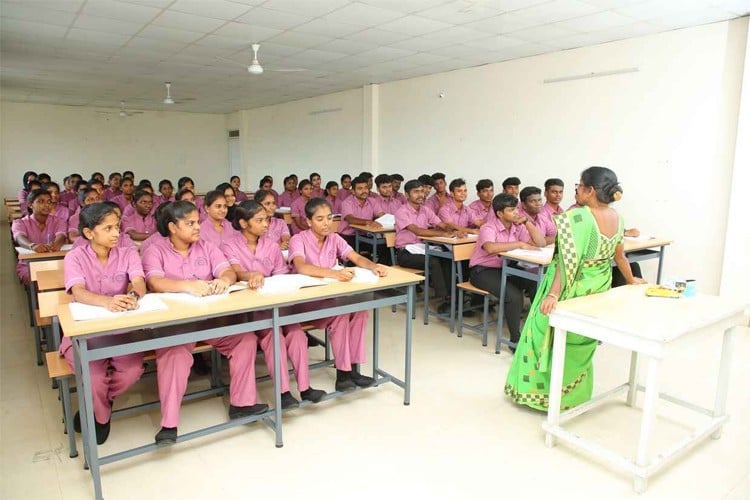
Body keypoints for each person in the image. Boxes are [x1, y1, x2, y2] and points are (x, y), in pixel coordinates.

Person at [505, 167, 646, 411]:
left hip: (573, 285)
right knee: (582, 340)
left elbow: (565, 261)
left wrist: (552, 294)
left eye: (579, 186)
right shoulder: (617, 217)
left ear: (590, 190)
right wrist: (632, 279)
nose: (577, 191)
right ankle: (574, 395)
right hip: (599, 286)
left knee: (543, 335)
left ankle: (542, 396)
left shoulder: (577, 218)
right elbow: (620, 256)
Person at [142, 201, 267, 445]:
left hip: (210, 319)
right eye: (190, 223)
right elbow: (155, 282)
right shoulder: (155, 251)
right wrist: (187, 286)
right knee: (175, 353)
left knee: (245, 339)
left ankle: (242, 404)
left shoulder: (207, 246)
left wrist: (224, 280)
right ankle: (169, 423)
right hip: (176, 323)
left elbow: (228, 271)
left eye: (197, 222)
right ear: (172, 227)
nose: (197, 227)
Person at [223, 201, 327, 406]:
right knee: (274, 336)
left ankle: (305, 388)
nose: (266, 224)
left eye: (267, 220)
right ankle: (283, 392)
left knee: (297, 334)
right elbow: (234, 272)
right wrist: (250, 275)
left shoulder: (271, 245)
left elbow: (280, 274)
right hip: (248, 309)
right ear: (244, 223)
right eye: (260, 220)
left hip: (274, 303)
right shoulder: (229, 244)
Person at [60, 203, 146, 444]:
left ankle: (98, 405)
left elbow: (138, 281)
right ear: (89, 233)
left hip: (120, 330)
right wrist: (107, 302)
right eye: (108, 228)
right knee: (94, 377)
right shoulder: (75, 257)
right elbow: (77, 291)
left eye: (117, 226)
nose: (116, 233)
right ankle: (101, 416)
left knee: (132, 371)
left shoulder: (127, 252)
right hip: (86, 332)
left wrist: (133, 295)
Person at [289, 197, 389, 392]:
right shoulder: (298, 239)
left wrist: (374, 266)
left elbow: (356, 257)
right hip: (305, 301)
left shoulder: (334, 237)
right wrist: (334, 273)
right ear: (308, 221)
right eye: (320, 219)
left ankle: (353, 369)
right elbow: (301, 266)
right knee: (342, 314)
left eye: (329, 217)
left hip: (330, 298)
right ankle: (343, 375)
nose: (326, 223)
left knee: (361, 311)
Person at [468, 193, 546, 346]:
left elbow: (541, 242)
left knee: (536, 283)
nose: (516, 212)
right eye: (511, 210)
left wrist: (527, 222)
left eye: (516, 209)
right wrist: (519, 244)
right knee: (514, 296)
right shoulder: (488, 227)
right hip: (483, 271)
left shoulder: (517, 227)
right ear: (500, 213)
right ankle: (515, 340)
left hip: (506, 268)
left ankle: (538, 328)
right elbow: (490, 248)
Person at [394, 179, 459, 315]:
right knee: (434, 261)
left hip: (423, 249)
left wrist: (453, 230)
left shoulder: (426, 210)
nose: (421, 195)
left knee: (447, 258)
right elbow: (418, 231)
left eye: (422, 191)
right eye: (416, 192)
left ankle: (453, 298)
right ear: (407, 195)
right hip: (405, 252)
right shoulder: (402, 211)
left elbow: (441, 224)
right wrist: (444, 234)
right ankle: (444, 298)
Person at [12, 189, 67, 285]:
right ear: (30, 204)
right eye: (41, 201)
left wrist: (56, 244)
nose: (47, 205)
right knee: (36, 278)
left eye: (49, 202)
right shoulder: (20, 222)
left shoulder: (59, 221)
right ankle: (37, 299)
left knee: (65, 275)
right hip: (28, 264)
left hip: (55, 260)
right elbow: (20, 238)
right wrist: (32, 246)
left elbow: (61, 235)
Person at [337, 175, 381, 248]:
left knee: (383, 247)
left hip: (365, 235)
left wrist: (389, 220)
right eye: (360, 188)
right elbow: (350, 219)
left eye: (366, 188)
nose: (364, 191)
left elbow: (381, 215)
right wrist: (368, 222)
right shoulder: (347, 202)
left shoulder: (373, 201)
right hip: (348, 236)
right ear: (353, 191)